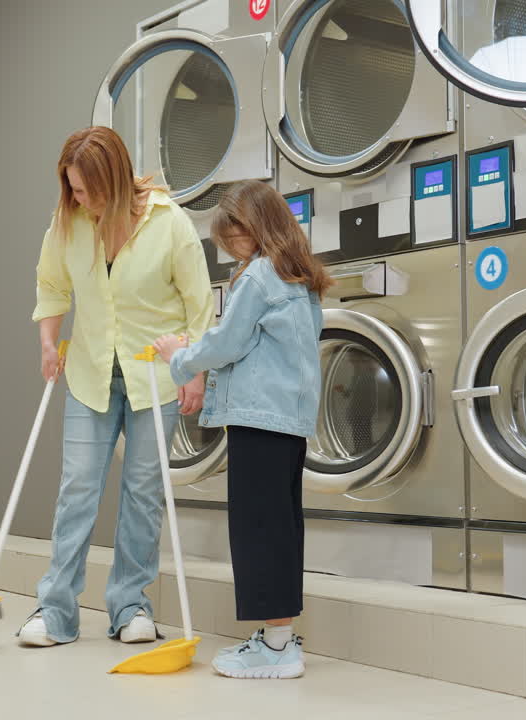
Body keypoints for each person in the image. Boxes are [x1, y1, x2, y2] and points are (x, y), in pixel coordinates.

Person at [21, 126, 213, 647]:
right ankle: (55, 611)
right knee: (78, 489)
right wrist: (47, 341)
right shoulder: (68, 222)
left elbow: (199, 302)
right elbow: (51, 284)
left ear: (112, 182)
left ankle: (130, 606)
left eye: (84, 189)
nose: (76, 198)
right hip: (90, 372)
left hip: (155, 376)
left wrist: (196, 370)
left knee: (143, 492)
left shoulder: (169, 223)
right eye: (72, 189)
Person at [154, 179, 331, 679]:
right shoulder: (299, 276)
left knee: (257, 529)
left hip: (258, 418)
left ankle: (276, 649)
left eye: (232, 236)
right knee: (280, 527)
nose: (229, 246)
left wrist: (180, 357)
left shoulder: (257, 278)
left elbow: (228, 343)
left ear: (255, 227)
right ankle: (278, 635)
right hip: (289, 422)